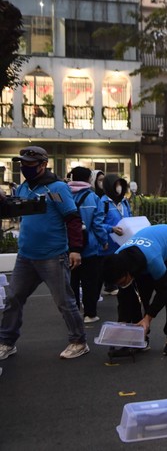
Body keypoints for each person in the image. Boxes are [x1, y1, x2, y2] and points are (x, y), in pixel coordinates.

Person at [0, 146, 89, 360]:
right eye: (22, 164)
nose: (24, 167)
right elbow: (10, 212)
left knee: (65, 301)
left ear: (43, 165)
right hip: (26, 256)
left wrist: (75, 249)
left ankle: (78, 341)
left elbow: (73, 219)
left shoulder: (56, 188)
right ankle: (7, 342)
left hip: (53, 255)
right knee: (13, 298)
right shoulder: (22, 188)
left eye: (29, 164)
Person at [103, 224, 167, 356]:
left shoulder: (152, 260)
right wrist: (122, 324)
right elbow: (124, 296)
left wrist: (148, 318)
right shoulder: (117, 258)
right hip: (151, 248)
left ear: (128, 272)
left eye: (122, 282)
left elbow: (164, 289)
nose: (121, 285)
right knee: (139, 293)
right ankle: (140, 336)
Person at [67, 166, 109, 323]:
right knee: (89, 282)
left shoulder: (66, 195)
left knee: (72, 282)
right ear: (88, 180)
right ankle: (90, 314)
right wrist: (104, 241)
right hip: (89, 246)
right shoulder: (92, 198)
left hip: (70, 246)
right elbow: (97, 224)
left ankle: (73, 312)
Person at [99, 173, 132, 296]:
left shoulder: (124, 202)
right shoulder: (103, 203)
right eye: (116, 185)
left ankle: (113, 285)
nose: (118, 187)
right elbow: (98, 224)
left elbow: (129, 216)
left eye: (120, 184)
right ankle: (105, 286)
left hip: (122, 242)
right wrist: (111, 229)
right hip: (108, 243)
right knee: (104, 267)